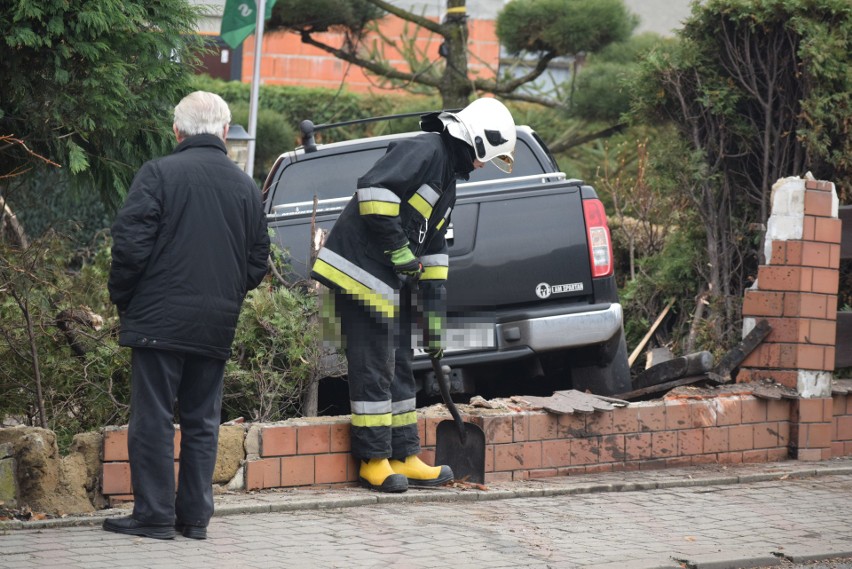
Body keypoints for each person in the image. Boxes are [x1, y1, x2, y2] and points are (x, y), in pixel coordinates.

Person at [311, 97, 516, 493]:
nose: (480, 166)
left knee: (401, 364)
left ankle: (404, 455)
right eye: (484, 158)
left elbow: (435, 254)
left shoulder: (448, 181)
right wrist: (399, 252)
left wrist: (434, 322)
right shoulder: (424, 150)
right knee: (373, 367)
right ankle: (373, 461)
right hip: (360, 273)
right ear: (475, 141)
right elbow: (374, 192)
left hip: (390, 281)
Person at [103, 91, 270, 539]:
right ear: (223, 131)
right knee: (202, 421)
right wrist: (227, 294)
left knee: (153, 418)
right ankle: (195, 519)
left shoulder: (158, 173)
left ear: (177, 132)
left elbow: (130, 247)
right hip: (215, 323)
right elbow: (258, 261)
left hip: (157, 319)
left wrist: (124, 299)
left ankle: (154, 516)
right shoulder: (246, 187)